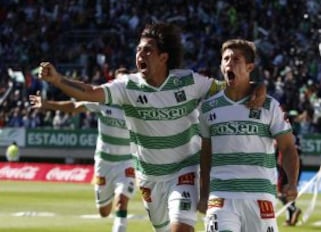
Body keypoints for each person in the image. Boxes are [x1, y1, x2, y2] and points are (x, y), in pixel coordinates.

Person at [37, 23, 266, 232]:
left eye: (147, 50)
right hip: (149, 177)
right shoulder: (127, 86)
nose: (140, 55)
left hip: (184, 170)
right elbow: (90, 92)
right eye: (138, 50)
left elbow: (231, 88)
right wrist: (58, 80)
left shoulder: (188, 82)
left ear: (164, 57)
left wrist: (257, 87)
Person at [197, 39, 299, 231]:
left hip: (260, 195)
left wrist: (292, 183)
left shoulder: (269, 106)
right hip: (221, 195)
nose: (229, 63)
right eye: (226, 59)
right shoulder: (208, 108)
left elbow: (287, 147)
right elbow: (205, 154)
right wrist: (204, 194)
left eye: (236, 59)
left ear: (250, 66)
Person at [29, 68, 135, 232]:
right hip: (104, 162)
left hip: (126, 162)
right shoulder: (103, 100)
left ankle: (120, 223)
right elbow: (74, 106)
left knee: (122, 201)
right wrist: (47, 104)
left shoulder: (138, 106)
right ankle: (112, 195)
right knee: (104, 211)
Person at [276, 110, 302, 226]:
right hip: (296, 165)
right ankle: (290, 220)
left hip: (284, 164)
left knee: (279, 193)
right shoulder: (296, 134)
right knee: (289, 191)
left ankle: (293, 210)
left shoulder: (282, 132)